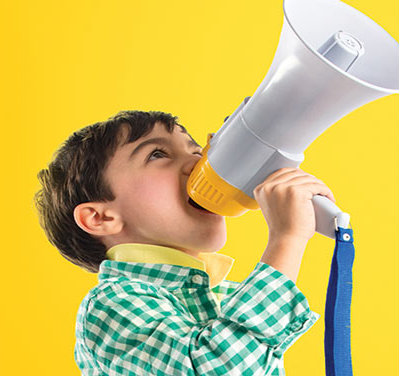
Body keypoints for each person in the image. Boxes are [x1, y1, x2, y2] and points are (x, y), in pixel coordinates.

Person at [33, 110, 336, 375]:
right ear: (100, 218)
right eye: (157, 154)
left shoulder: (222, 299)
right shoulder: (113, 305)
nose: (197, 165)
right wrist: (287, 240)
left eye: (195, 151)